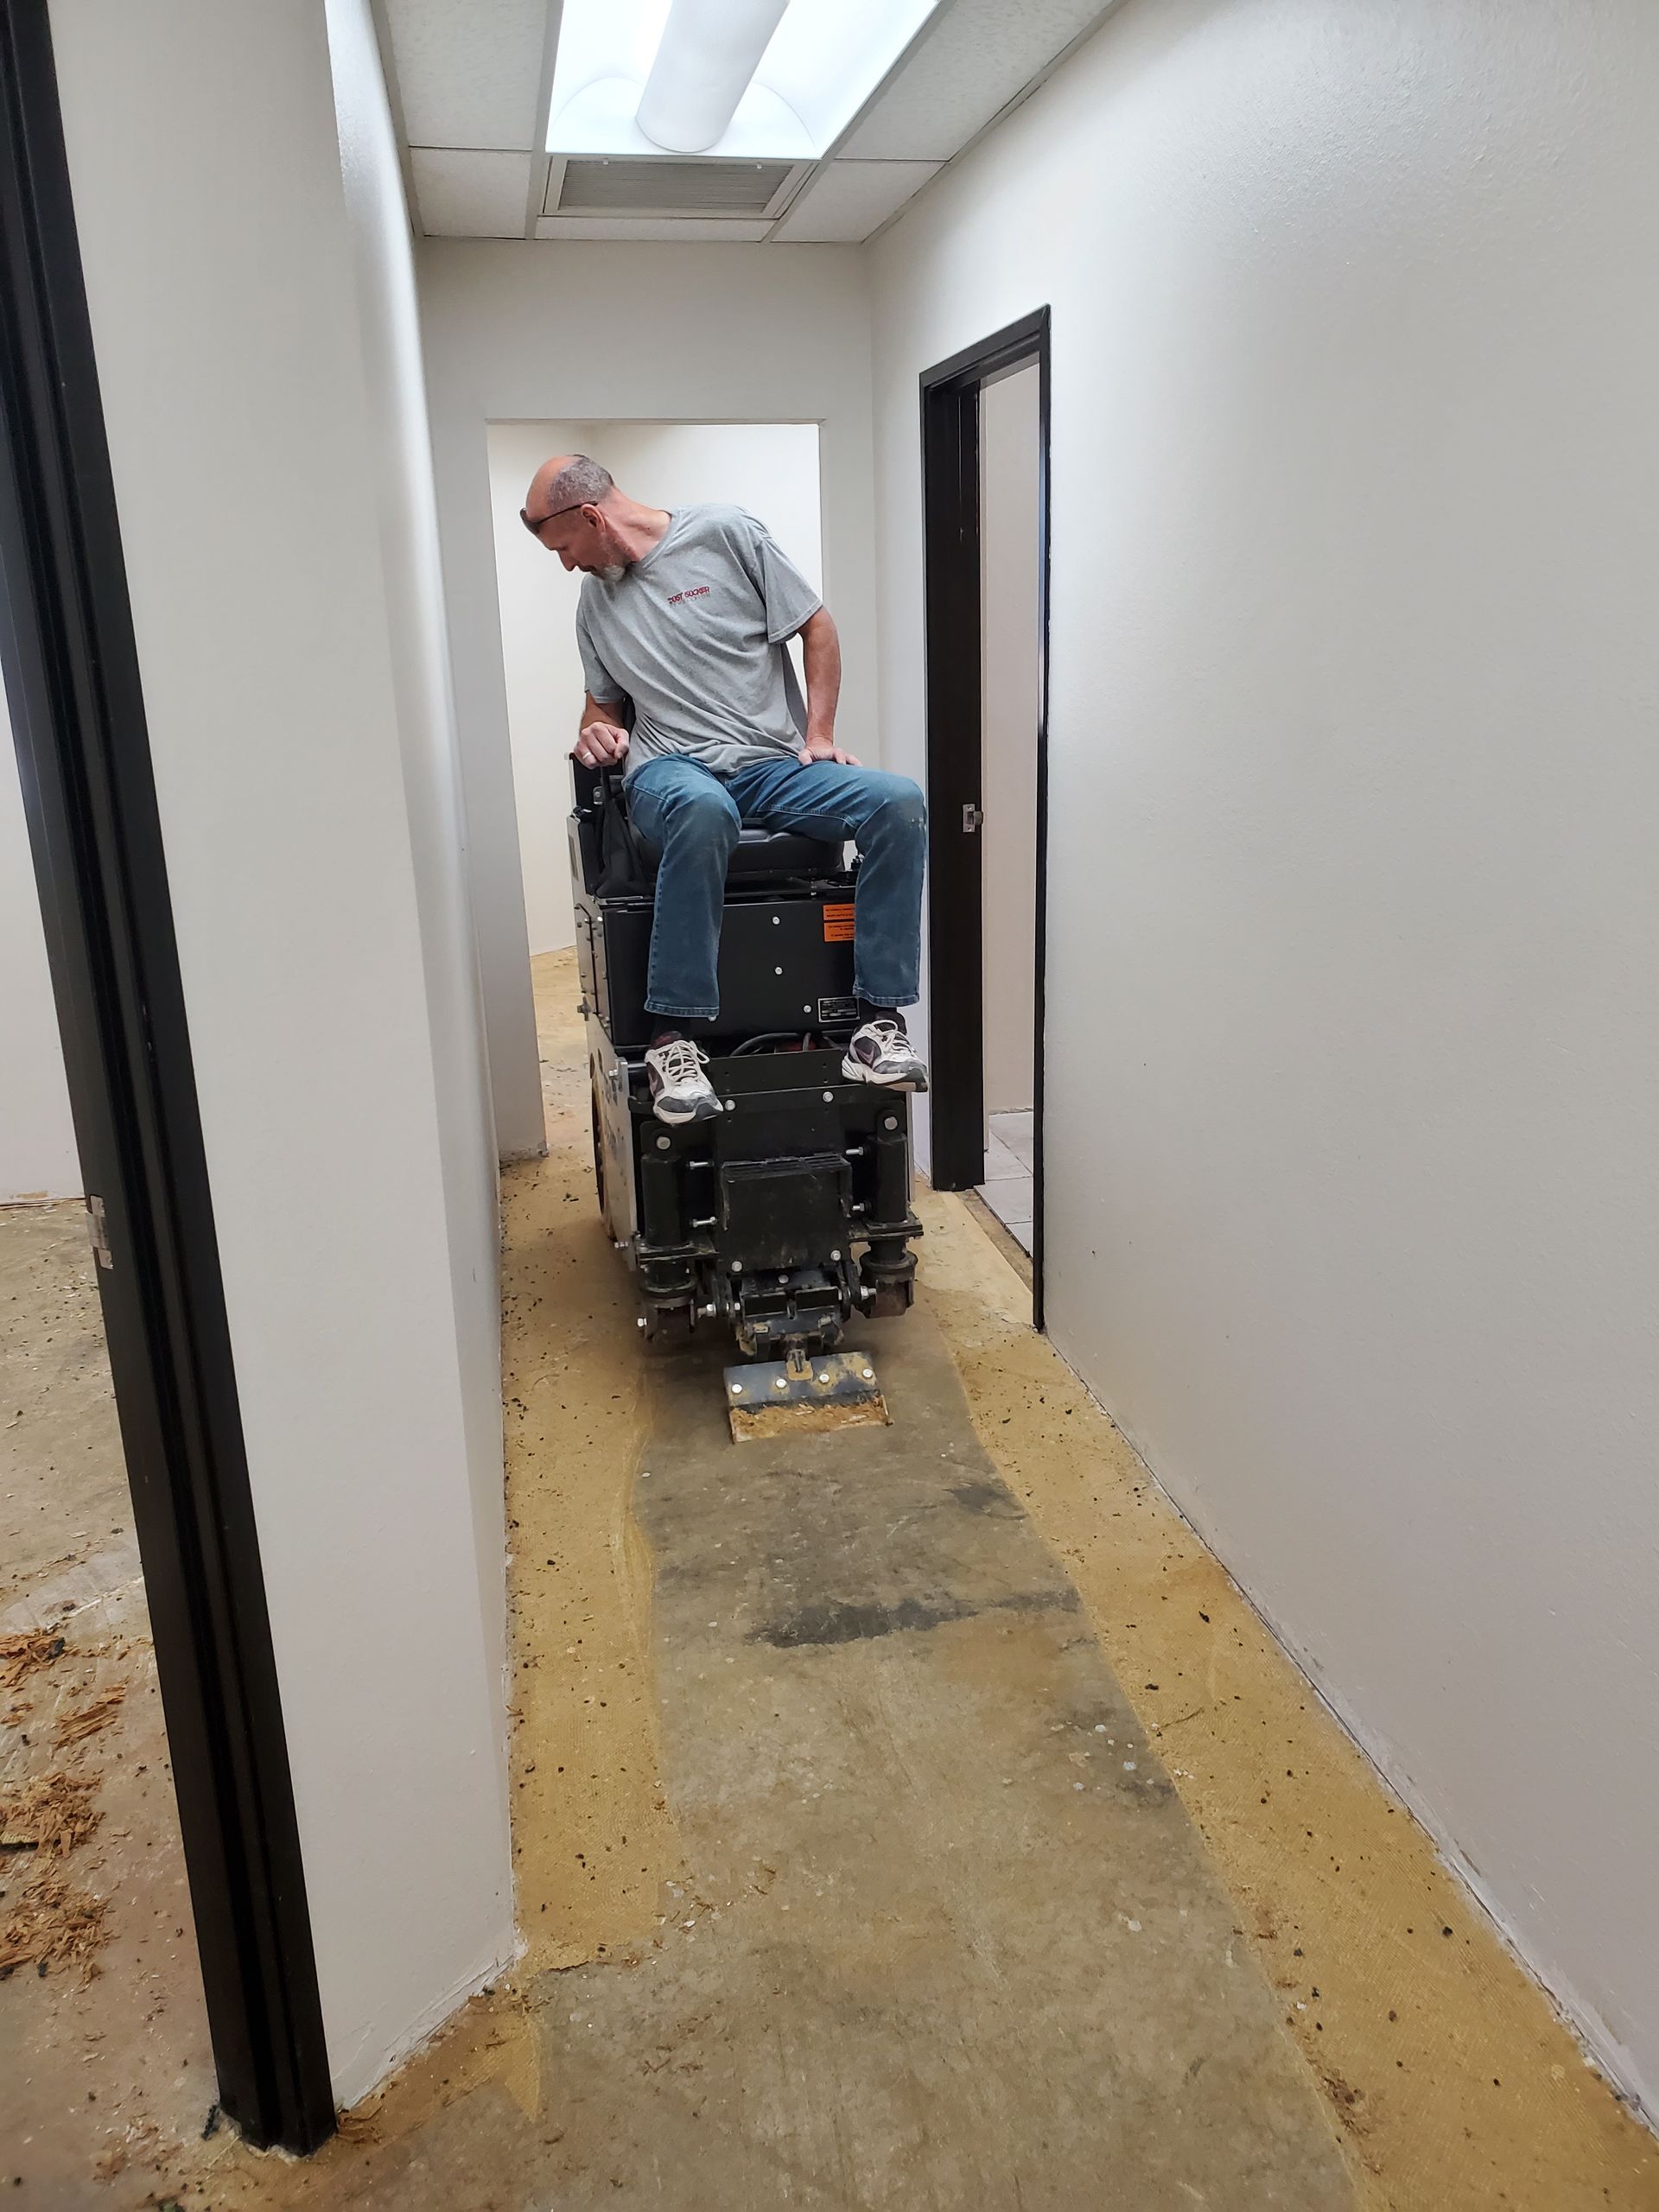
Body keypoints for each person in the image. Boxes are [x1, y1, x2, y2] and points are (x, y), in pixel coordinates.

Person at [521, 454, 929, 1125]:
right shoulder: (594, 604)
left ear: (592, 517)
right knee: (707, 810)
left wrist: (819, 735)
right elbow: (604, 707)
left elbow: (816, 626)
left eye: (565, 549)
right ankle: (672, 1040)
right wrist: (596, 733)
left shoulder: (725, 534)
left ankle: (876, 1022)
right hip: (670, 771)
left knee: (898, 802)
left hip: (767, 766)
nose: (568, 566)